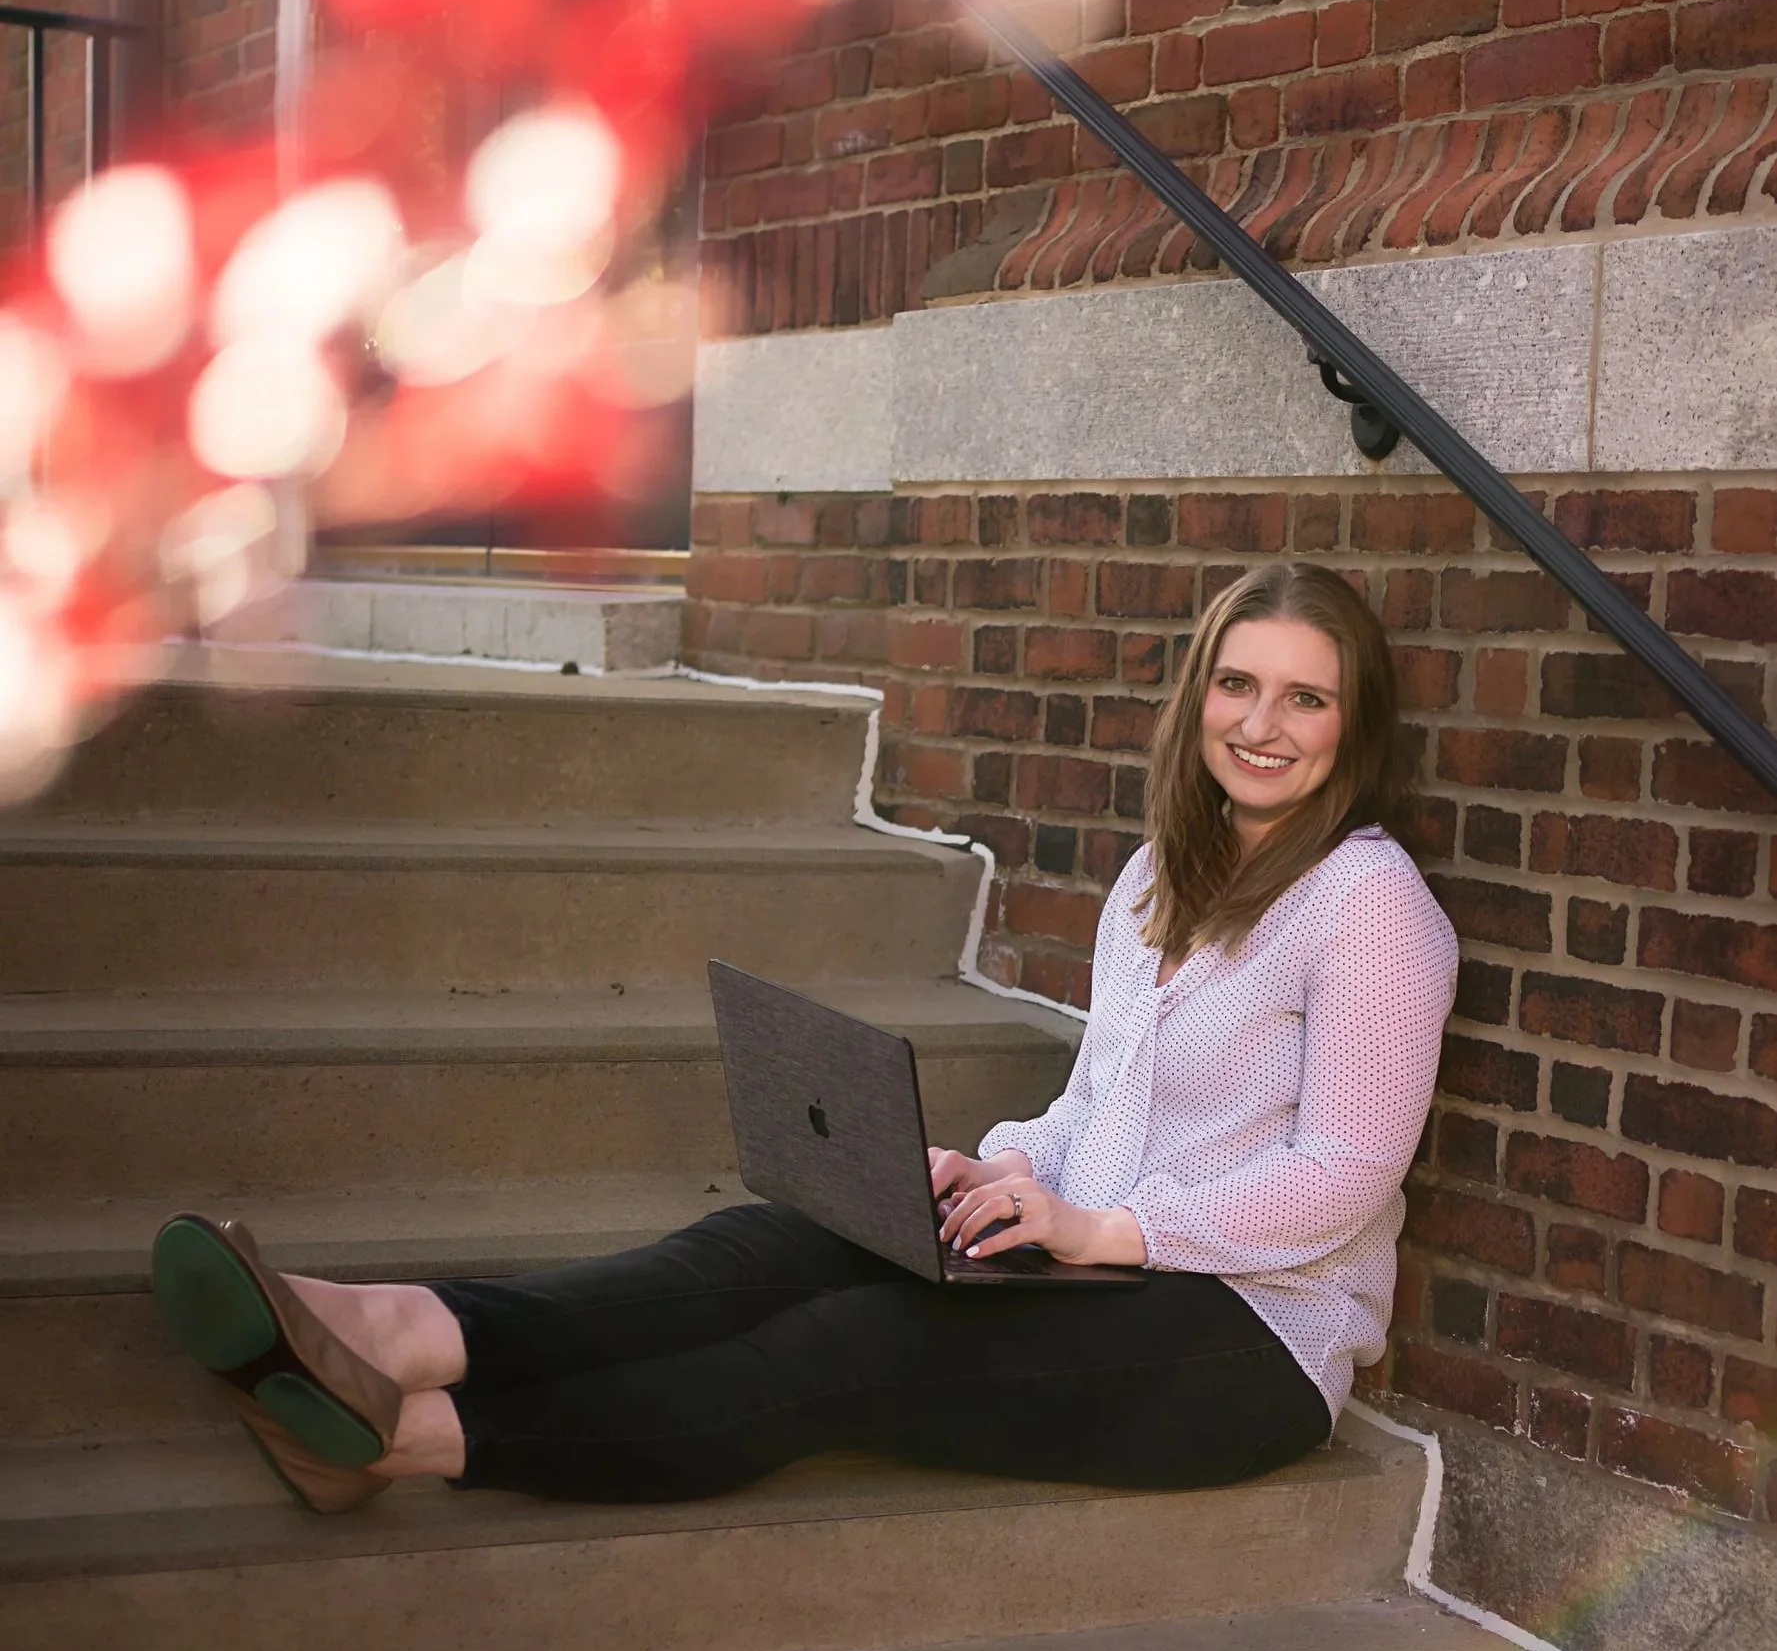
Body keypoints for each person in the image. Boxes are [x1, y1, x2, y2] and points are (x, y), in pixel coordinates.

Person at [150, 559, 1459, 1518]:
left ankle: (395, 1438)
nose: (1261, 725)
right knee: (775, 1242)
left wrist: (1100, 1232)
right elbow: (1101, 1102)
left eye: (1305, 700)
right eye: (1238, 684)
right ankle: (382, 1323)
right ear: (1199, 695)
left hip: (1243, 1343)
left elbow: (1345, 1176)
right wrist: (1000, 1169)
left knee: (849, 1351)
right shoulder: (1157, 879)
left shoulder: (1368, 902)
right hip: (1095, 1266)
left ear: (1355, 728)